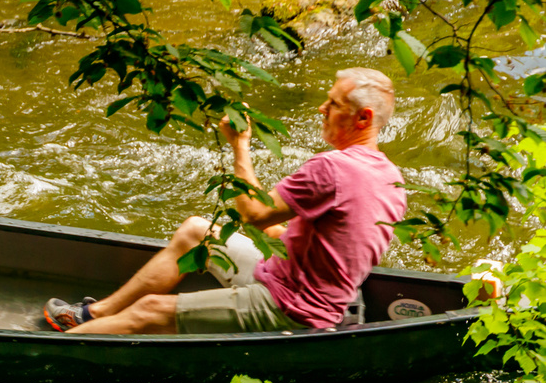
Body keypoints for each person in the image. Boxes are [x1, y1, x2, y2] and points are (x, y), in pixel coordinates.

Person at [44, 67, 407, 335]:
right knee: (197, 232)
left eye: (334, 103)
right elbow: (325, 242)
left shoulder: (331, 167)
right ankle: (94, 315)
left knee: (149, 310)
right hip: (310, 289)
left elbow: (253, 215)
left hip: (292, 306)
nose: (321, 108)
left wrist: (240, 144)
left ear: (364, 118)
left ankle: (52, 352)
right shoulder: (391, 177)